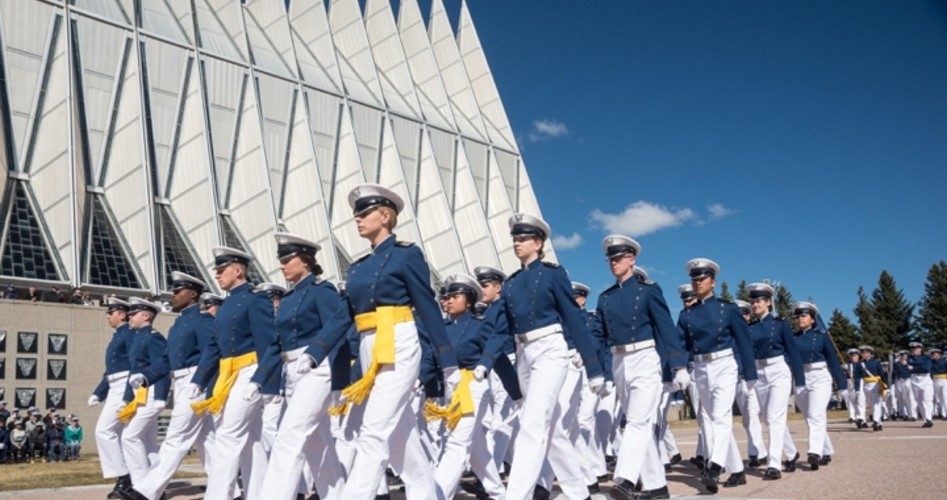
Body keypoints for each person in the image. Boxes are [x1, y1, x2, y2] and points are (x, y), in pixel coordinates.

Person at [338, 183, 457, 500]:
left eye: (364, 213)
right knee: (401, 435)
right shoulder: (359, 266)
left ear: (385, 216)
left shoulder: (407, 255)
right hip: (368, 344)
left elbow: (428, 307)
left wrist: (448, 362)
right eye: (357, 215)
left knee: (373, 430)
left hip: (399, 340)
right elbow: (348, 317)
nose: (358, 220)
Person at [498, 213, 605, 500]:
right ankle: (578, 491)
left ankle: (516, 495)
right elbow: (499, 328)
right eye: (514, 239)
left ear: (538, 242)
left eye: (522, 239)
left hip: (550, 349)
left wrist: (594, 367)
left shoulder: (553, 274)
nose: (516, 244)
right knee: (554, 429)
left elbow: (574, 319)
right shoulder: (511, 283)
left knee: (532, 424)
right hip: (523, 353)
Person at [256, 233, 352, 500]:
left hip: (318, 368)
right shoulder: (286, 300)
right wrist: (260, 378)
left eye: (288, 259)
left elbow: (338, 329)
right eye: (281, 260)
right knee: (316, 443)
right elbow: (277, 344)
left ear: (306, 261)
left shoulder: (322, 292)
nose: (282, 265)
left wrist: (332, 370)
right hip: (292, 371)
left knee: (290, 435)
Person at [596, 236, 687, 500]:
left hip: (646, 357)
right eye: (611, 259)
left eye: (620, 257)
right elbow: (599, 336)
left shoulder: (648, 290)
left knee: (636, 421)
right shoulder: (606, 298)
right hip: (618, 361)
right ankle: (657, 487)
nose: (614, 262)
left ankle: (624, 479)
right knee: (640, 425)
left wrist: (679, 365)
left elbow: (666, 328)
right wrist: (595, 369)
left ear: (632, 259)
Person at [189, 247, 278, 500]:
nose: (217, 275)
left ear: (238, 271)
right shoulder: (227, 304)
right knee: (253, 441)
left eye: (221, 270)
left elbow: (269, 343)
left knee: (228, 437)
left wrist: (262, 380)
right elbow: (215, 345)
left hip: (248, 371)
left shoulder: (256, 299)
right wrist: (199, 380)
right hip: (229, 374)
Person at [119, 272, 217, 500]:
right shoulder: (178, 323)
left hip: (195, 382)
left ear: (192, 294)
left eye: (177, 291)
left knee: (176, 438)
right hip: (181, 381)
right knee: (207, 442)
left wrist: (202, 384)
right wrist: (147, 377)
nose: (172, 295)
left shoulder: (203, 321)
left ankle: (147, 491)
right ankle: (225, 490)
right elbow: (165, 359)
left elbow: (211, 354)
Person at [677, 258, 756, 493]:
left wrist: (750, 373)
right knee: (711, 420)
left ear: (713, 281)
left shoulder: (727, 309)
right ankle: (738, 470)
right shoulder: (686, 316)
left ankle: (714, 466)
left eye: (702, 278)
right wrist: (680, 368)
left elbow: (744, 341)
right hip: (700, 368)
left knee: (721, 418)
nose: (697, 282)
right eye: (694, 279)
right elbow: (681, 344)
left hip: (724, 364)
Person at [425, 274, 507, 499]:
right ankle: (498, 493)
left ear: (469, 301)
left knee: (458, 442)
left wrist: (514, 389)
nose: (448, 301)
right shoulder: (441, 328)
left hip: (474, 385)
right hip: (452, 388)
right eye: (447, 297)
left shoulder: (480, 325)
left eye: (455, 296)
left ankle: (437, 494)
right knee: (477, 447)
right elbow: (432, 357)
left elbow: (496, 347)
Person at [745, 282, 806, 480]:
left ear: (769, 302)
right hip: (759, 372)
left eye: (759, 301)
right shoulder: (750, 328)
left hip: (779, 371)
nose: (755, 305)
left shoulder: (781, 325)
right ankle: (792, 453)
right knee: (769, 418)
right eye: (752, 301)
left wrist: (800, 381)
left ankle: (774, 464)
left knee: (773, 417)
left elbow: (793, 352)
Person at [118, 298, 170, 485]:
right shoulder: (139, 336)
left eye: (134, 313)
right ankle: (156, 486)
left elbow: (163, 366)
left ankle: (141, 484)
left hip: (152, 393)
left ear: (146, 316)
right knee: (149, 445)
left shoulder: (154, 337)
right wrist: (126, 398)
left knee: (130, 437)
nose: (129, 316)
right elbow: (134, 371)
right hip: (140, 395)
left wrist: (161, 396)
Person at [791, 301, 847, 470]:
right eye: (797, 316)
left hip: (820, 376)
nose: (800, 318)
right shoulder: (792, 338)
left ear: (813, 319)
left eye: (804, 315)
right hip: (800, 377)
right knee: (811, 417)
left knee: (815, 415)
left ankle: (814, 452)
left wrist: (842, 384)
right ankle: (826, 449)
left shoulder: (822, 337)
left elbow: (833, 361)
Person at [89, 298, 135, 498]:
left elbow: (135, 365)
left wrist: (128, 394)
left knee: (104, 431)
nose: (108, 316)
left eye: (111, 312)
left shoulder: (130, 335)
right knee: (127, 437)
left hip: (126, 385)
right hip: (115, 385)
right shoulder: (117, 336)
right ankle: (132, 477)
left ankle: (124, 476)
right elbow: (110, 371)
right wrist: (99, 392)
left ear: (123, 314)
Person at [733, 299, 767, 468]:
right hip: (739, 379)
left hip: (756, 378)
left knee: (755, 415)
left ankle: (757, 454)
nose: (743, 316)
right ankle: (758, 451)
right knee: (747, 418)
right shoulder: (730, 335)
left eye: (746, 313)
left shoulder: (755, 331)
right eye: (740, 314)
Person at [905, 341, 934, 428]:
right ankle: (926, 419)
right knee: (919, 400)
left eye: (916, 348)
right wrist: (915, 367)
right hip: (914, 379)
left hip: (925, 379)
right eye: (912, 349)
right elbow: (907, 368)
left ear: (920, 349)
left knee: (927, 399)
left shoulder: (926, 357)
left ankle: (929, 418)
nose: (914, 350)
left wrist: (913, 367)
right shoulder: (909, 358)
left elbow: (926, 368)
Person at [859, 345, 887, 430]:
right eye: (862, 352)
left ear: (870, 353)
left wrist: (885, 385)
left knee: (876, 404)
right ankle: (878, 424)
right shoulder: (860, 364)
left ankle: (875, 421)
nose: (863, 354)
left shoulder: (876, 362)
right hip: (865, 385)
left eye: (864, 352)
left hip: (876, 385)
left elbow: (882, 374)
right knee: (871, 405)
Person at [846, 349, 867, 428]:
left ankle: (860, 418)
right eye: (851, 356)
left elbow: (865, 373)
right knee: (854, 401)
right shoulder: (847, 365)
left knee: (861, 401)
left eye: (854, 355)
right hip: (850, 384)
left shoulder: (861, 364)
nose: (853, 357)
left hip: (860, 382)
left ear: (858, 356)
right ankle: (862, 421)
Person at [931, 348, 947, 419]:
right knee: (936, 398)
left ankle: (945, 414)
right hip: (934, 380)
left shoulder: (944, 361)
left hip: (944, 380)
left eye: (934, 353)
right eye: (932, 354)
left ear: (938, 354)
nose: (933, 355)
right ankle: (936, 413)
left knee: (944, 397)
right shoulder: (931, 362)